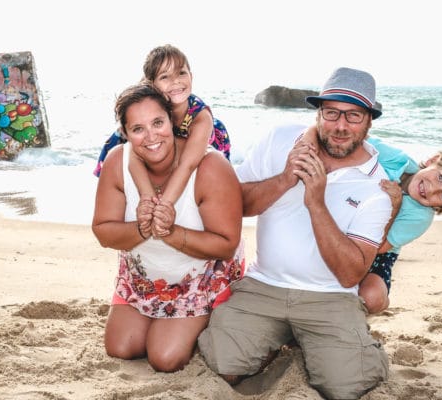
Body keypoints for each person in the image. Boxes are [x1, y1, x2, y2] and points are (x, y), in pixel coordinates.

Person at [198, 67, 392, 399]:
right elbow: (236, 204)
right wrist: (286, 178)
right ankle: (285, 338)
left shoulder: (377, 185)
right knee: (222, 363)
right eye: (331, 113)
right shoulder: (279, 138)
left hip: (330, 297)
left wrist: (316, 202)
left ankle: (329, 342)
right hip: (264, 285)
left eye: (353, 116)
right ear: (319, 112)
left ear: (369, 122)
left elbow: (349, 275)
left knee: (347, 387)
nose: (341, 125)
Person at [92, 83, 244, 373]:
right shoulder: (117, 161)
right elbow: (103, 231)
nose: (151, 137)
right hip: (143, 279)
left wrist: (171, 233)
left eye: (158, 123)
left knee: (164, 358)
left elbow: (226, 244)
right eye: (138, 129)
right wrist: (143, 227)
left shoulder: (210, 166)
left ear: (172, 121)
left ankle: (213, 316)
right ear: (125, 133)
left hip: (200, 280)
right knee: (121, 348)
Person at [300, 129, 442, 313]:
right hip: (347, 223)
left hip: (378, 254)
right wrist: (310, 137)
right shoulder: (398, 160)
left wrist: (395, 205)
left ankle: (363, 311)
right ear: (433, 161)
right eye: (440, 177)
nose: (432, 190)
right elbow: (354, 138)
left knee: (372, 297)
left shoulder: (420, 217)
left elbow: (380, 247)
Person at [93, 44, 230, 236]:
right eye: (165, 76)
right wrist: (147, 197)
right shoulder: (148, 108)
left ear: (191, 75)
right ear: (151, 83)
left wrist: (164, 206)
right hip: (157, 151)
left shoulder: (200, 116)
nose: (176, 82)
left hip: (192, 152)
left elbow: (187, 165)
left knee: (207, 192)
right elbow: (133, 157)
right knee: (129, 144)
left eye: (181, 73)